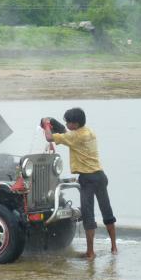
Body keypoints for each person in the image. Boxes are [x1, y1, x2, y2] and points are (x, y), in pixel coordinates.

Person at [42, 108, 117, 259]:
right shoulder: (88, 132)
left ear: (75, 124)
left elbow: (49, 138)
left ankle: (90, 252)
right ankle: (114, 248)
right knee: (106, 211)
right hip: (100, 176)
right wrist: (60, 127)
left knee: (88, 216)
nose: (66, 124)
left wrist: (46, 125)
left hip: (88, 179)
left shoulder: (75, 137)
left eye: (68, 122)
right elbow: (67, 134)